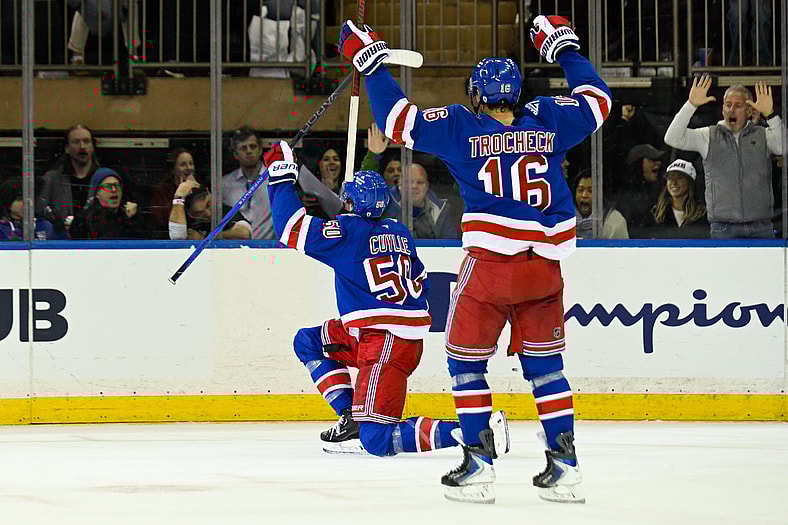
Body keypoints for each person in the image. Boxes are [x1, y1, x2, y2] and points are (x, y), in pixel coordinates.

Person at [339, 14, 610, 504]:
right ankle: (565, 466)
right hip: (545, 268)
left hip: (491, 267)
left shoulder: (462, 126)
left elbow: (397, 120)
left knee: (466, 364)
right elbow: (598, 101)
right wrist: (563, 47)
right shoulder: (548, 117)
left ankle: (479, 463)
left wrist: (372, 60)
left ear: (477, 94)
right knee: (548, 370)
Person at [264, 142, 509, 457]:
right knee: (308, 341)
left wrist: (280, 175)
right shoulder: (400, 231)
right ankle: (351, 417)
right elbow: (419, 277)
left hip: (385, 343)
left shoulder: (346, 230)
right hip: (380, 334)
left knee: (377, 440)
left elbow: (290, 227)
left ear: (351, 202)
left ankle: (475, 431)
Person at [664, 76, 782, 239]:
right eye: (728, 105)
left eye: (738, 105)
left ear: (749, 111)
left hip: (761, 226)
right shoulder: (708, 136)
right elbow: (672, 138)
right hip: (724, 229)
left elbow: (784, 147)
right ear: (722, 109)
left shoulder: (763, 135)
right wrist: (691, 105)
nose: (731, 110)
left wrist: (771, 115)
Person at [35, 125, 102, 235]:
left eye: (86, 141)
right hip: (62, 244)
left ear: (93, 146)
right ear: (67, 148)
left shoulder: (103, 179)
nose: (82, 146)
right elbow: (39, 211)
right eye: (76, 142)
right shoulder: (52, 179)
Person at [222, 127, 275, 240]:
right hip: (234, 250)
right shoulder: (225, 184)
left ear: (260, 150)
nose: (249, 151)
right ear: (235, 154)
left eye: (253, 146)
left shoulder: (275, 180)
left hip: (269, 250)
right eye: (243, 148)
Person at [386, 163, 457, 239]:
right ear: (400, 185)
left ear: (427, 186)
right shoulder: (385, 207)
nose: (414, 186)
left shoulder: (441, 210)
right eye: (409, 182)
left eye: (420, 182)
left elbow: (449, 242)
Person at [641, 159, 709, 239]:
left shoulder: (703, 215)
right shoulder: (655, 215)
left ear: (690, 182)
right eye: (670, 178)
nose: (674, 182)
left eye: (680, 177)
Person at [69, 168, 141, 240]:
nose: (114, 190)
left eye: (116, 185)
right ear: (97, 193)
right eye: (108, 186)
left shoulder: (128, 215)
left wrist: (132, 219)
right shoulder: (83, 220)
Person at [168, 183, 251, 240]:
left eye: (208, 204)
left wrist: (205, 239)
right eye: (199, 213)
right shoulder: (184, 219)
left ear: (209, 193)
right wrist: (178, 197)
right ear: (189, 213)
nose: (208, 213)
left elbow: (244, 233)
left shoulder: (225, 211)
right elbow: (177, 237)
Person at [148, 148, 199, 239]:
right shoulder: (162, 191)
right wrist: (180, 195)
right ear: (173, 169)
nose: (189, 168)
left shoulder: (200, 189)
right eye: (183, 164)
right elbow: (161, 222)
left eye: (191, 163)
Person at [616, 143, 666, 233]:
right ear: (638, 164)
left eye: (658, 159)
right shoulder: (625, 200)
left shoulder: (661, 192)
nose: (658, 162)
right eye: (652, 159)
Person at [573, 170, 629, 239]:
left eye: (591, 191)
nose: (584, 195)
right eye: (580, 190)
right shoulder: (565, 219)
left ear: (601, 194)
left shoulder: (615, 222)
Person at [360, 123, 402, 188]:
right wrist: (373, 153)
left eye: (400, 170)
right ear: (383, 175)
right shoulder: (378, 195)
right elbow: (365, 180)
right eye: (390, 171)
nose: (396, 174)